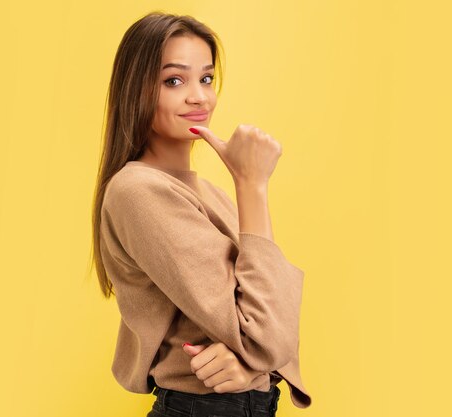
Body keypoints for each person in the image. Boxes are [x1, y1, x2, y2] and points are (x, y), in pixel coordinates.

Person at [91, 11, 312, 416]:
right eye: (174, 81)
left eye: (206, 78)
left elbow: (274, 328)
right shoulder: (137, 191)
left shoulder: (208, 193)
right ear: (136, 90)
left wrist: (250, 365)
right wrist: (252, 185)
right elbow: (267, 338)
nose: (199, 96)